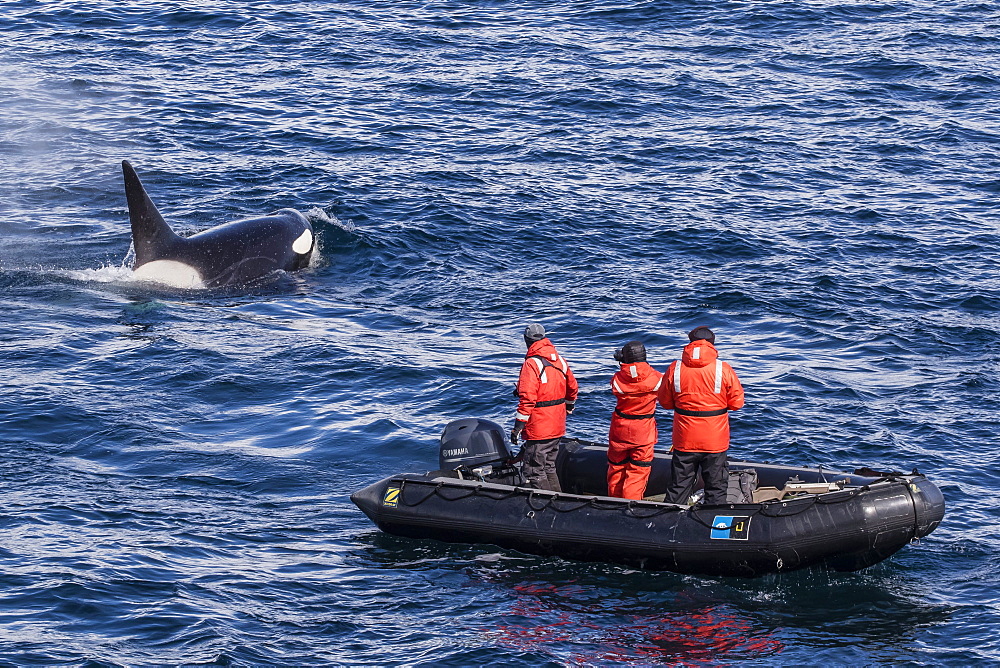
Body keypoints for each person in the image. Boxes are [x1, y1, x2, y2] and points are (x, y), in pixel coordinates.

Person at [658, 326, 745, 505]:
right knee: (716, 487)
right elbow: (737, 403)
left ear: (690, 343)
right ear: (712, 345)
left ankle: (668, 524)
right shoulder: (723, 369)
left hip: (684, 439)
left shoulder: (675, 368)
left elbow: (665, 402)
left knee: (678, 487)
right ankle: (713, 525)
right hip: (714, 439)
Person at [511, 324, 579, 491]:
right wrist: (569, 405)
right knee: (548, 466)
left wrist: (518, 427)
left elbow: (528, 398)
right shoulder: (560, 360)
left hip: (540, 427)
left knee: (534, 469)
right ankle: (559, 501)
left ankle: (546, 506)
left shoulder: (531, 363)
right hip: (557, 424)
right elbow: (573, 388)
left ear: (527, 340)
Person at [607, 340, 663, 500]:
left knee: (616, 468)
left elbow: (625, 378)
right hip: (643, 432)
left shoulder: (617, 379)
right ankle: (630, 505)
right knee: (638, 472)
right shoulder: (657, 379)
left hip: (619, 430)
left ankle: (613, 502)